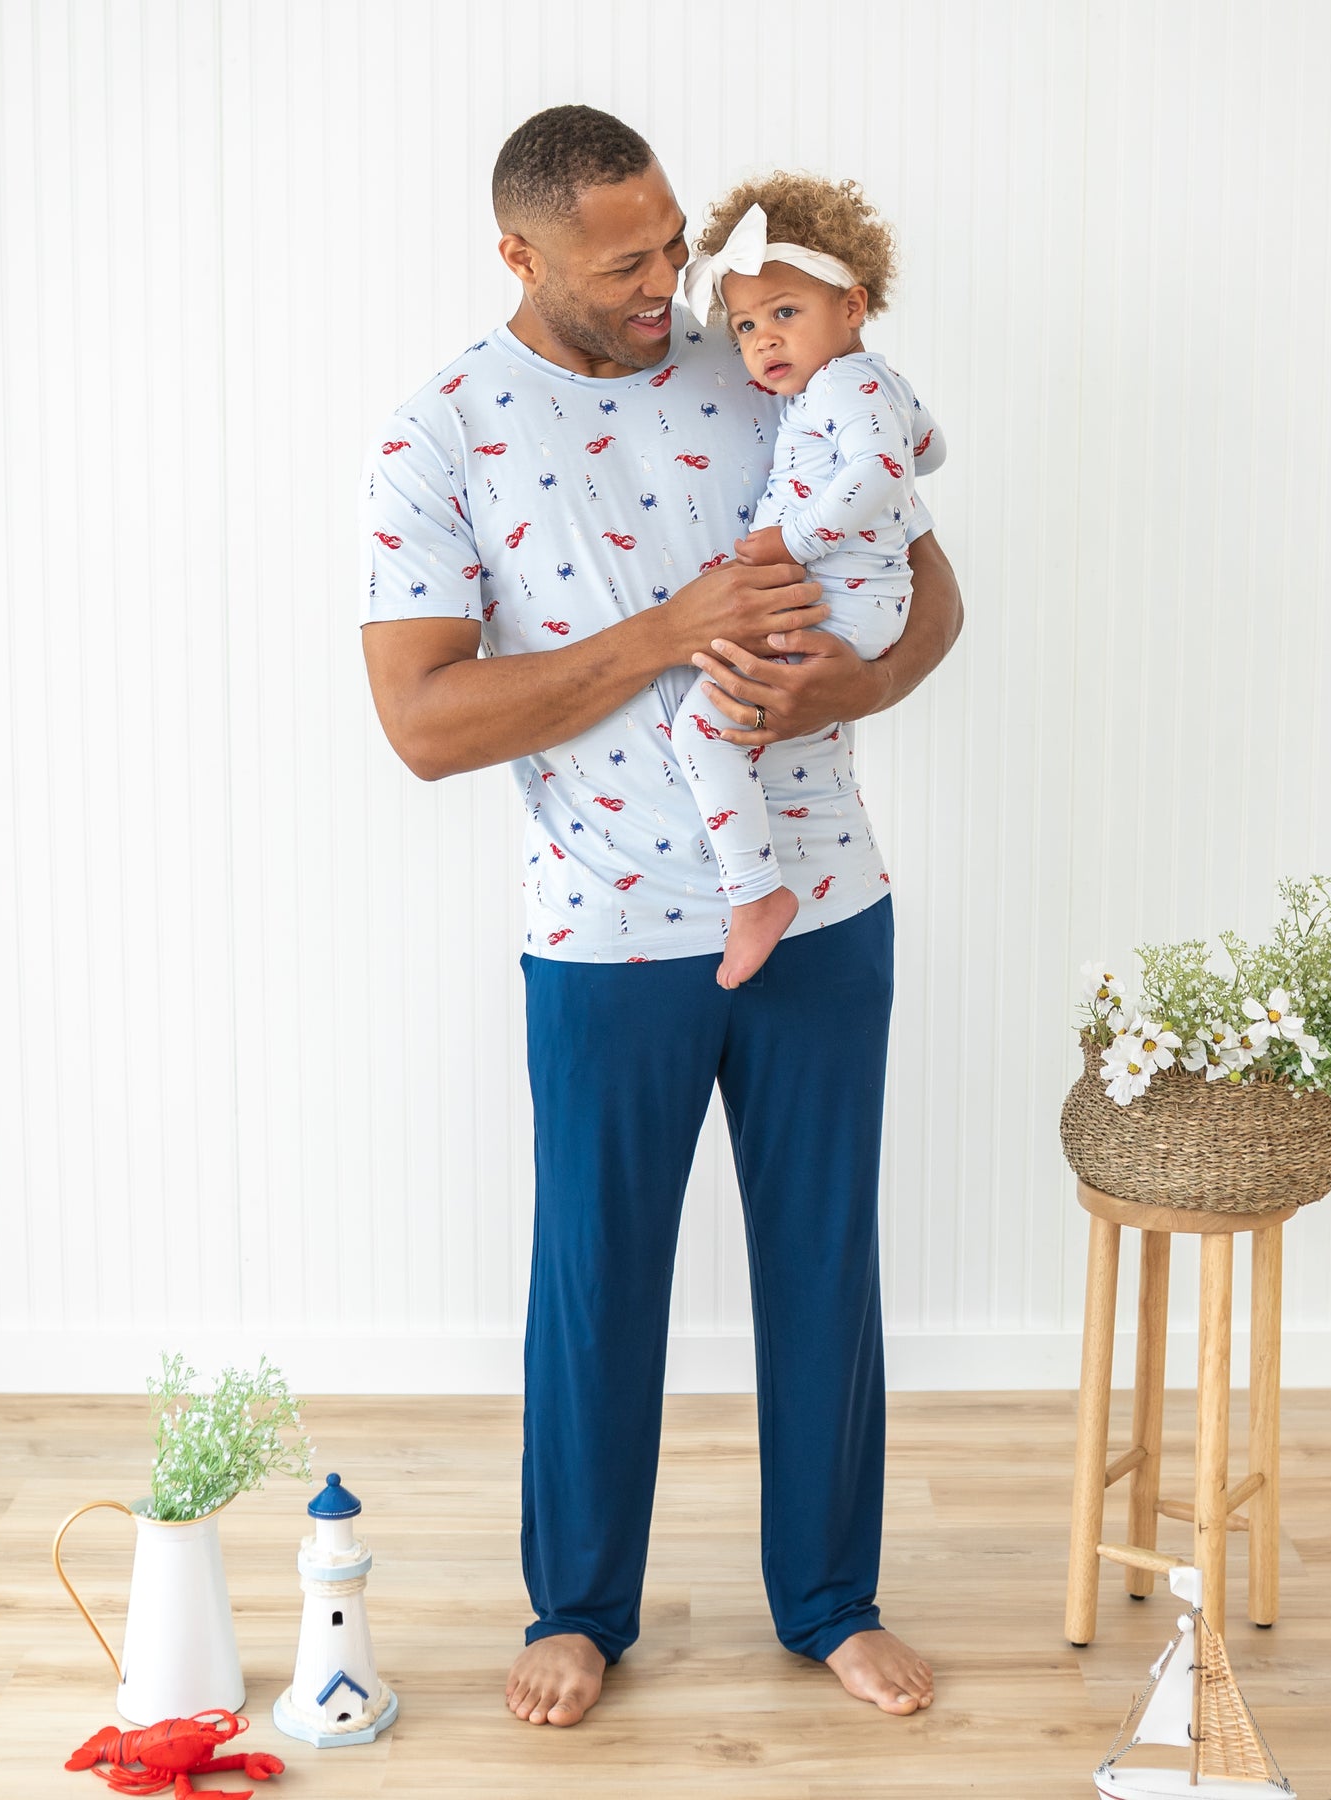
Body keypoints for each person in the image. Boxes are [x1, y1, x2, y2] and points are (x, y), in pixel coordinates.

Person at [359, 104, 963, 1730]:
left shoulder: (761, 361)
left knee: (826, 1268)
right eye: (628, 262)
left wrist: (866, 674)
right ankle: (578, 1610)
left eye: (674, 241)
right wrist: (666, 632)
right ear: (520, 255)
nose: (670, 282)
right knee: (598, 1277)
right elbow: (420, 724)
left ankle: (832, 1596)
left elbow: (931, 589)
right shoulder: (440, 434)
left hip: (825, 905)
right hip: (605, 931)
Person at [673, 175, 946, 988]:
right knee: (739, 726)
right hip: (862, 602)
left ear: (853, 306)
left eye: (786, 313)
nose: (763, 341)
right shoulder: (872, 382)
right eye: (748, 324)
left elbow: (889, 467)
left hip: (840, 604)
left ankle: (756, 895)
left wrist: (791, 538)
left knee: (699, 732)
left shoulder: (840, 385)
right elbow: (929, 448)